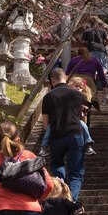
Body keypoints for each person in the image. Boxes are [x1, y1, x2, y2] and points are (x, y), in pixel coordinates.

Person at [41, 68, 91, 200]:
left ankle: (59, 194)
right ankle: (71, 200)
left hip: (56, 136)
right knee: (76, 172)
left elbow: (46, 125)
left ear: (52, 80)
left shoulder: (48, 97)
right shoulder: (78, 95)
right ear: (66, 77)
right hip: (75, 135)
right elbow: (83, 120)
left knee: (57, 164)